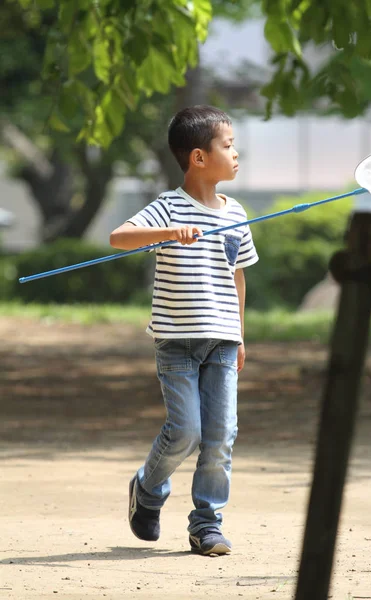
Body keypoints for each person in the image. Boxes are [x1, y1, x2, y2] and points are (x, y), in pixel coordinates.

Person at [109, 105, 259, 556]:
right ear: (198, 157)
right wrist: (169, 232)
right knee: (187, 432)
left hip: (222, 342)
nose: (236, 154)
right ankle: (148, 489)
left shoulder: (238, 212)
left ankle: (206, 525)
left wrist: (241, 334)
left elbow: (238, 276)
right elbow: (119, 237)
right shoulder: (168, 206)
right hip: (176, 343)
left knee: (221, 435)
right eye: (228, 146)